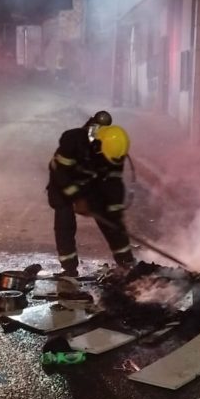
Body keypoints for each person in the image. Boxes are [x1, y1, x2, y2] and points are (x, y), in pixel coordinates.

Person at [47, 110, 136, 277]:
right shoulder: (73, 140)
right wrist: (77, 198)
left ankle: (127, 262)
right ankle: (69, 269)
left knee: (111, 220)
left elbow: (113, 182)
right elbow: (60, 173)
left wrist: (115, 210)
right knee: (64, 221)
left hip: (90, 182)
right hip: (63, 183)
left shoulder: (114, 148)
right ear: (100, 144)